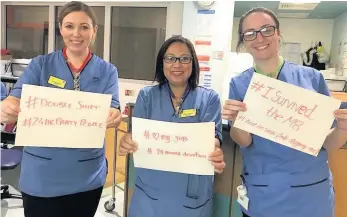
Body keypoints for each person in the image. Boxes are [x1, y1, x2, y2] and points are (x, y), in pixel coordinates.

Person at [222, 7, 347, 217]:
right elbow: (244, 140)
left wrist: (343, 128)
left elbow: (328, 142)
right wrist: (236, 121)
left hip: (311, 193)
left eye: (266, 29)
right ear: (243, 42)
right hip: (264, 192)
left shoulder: (312, 78)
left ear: (278, 34)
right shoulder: (240, 84)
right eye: (250, 33)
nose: (259, 37)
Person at [0, 1, 121, 217]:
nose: (77, 33)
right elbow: (17, 97)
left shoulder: (107, 71)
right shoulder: (40, 65)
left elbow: (112, 108)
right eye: (69, 26)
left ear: (94, 30)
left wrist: (114, 116)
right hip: (42, 176)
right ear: (60, 28)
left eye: (84, 26)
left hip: (86, 176)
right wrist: (9, 106)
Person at [119, 36, 225, 217]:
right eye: (170, 58)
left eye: (184, 58)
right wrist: (126, 141)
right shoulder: (147, 96)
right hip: (149, 195)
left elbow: (212, 139)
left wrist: (214, 152)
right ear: (162, 63)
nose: (177, 64)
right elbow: (134, 135)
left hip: (191, 195)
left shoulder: (209, 99)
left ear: (193, 63)